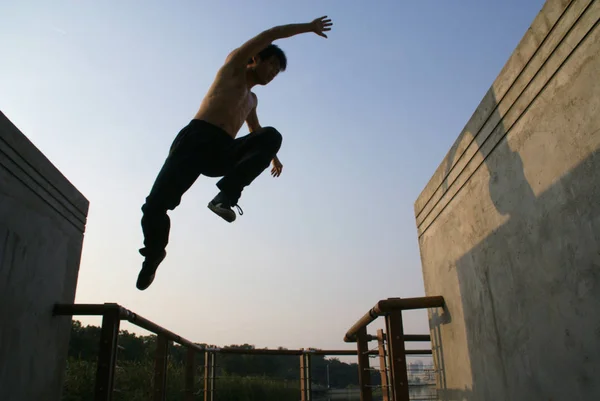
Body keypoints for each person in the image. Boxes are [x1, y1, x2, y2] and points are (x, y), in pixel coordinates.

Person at [136, 16, 334, 290]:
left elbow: (256, 130)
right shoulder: (233, 67)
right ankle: (154, 252)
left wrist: (273, 156)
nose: (273, 73)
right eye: (272, 65)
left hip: (222, 150)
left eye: (278, 72)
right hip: (195, 140)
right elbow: (272, 33)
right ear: (255, 58)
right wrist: (308, 28)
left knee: (272, 135)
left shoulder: (252, 100)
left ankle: (225, 197)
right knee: (155, 206)